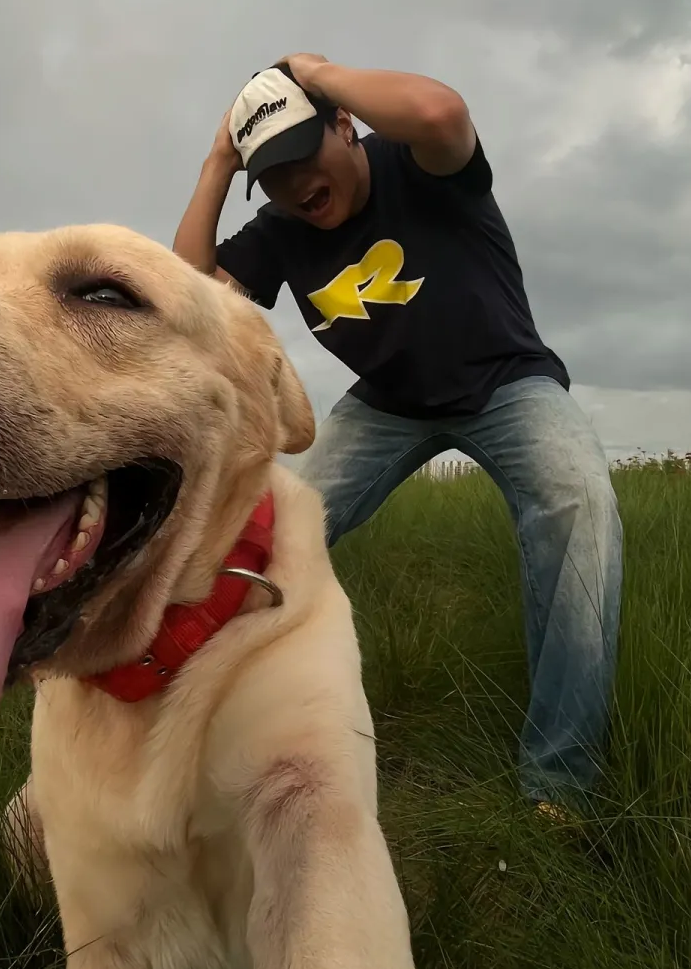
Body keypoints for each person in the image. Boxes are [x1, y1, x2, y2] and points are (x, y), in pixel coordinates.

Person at [173, 53, 622, 818]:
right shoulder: (282, 229)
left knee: (580, 505)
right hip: (387, 404)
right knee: (267, 533)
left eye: (297, 159)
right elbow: (187, 305)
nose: (290, 188)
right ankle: (220, 733)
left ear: (344, 125)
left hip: (507, 382)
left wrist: (316, 71)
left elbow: (444, 115)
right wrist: (221, 157)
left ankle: (560, 786)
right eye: (268, 176)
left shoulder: (418, 163)